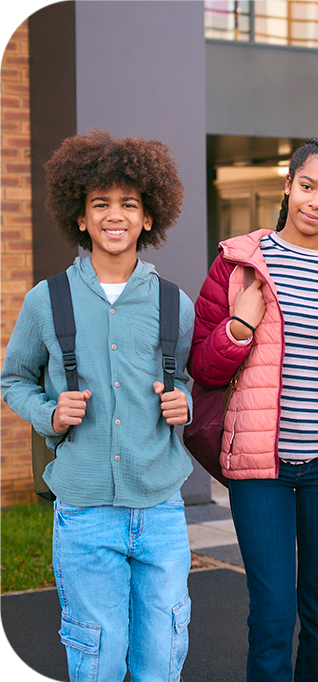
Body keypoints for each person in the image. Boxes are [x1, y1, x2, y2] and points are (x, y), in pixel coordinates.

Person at [187, 138, 318, 681]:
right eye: (307, 187)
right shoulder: (239, 263)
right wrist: (238, 326)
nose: (316, 202)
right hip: (262, 470)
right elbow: (203, 368)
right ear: (288, 186)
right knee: (274, 614)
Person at [0, 130, 195, 681]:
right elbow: (13, 379)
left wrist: (183, 401)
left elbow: (184, 379)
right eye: (101, 204)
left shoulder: (171, 302)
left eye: (129, 204)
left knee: (161, 655)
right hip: (84, 511)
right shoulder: (48, 299)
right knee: (98, 656)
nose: (116, 216)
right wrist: (48, 413)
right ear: (80, 219)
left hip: (159, 508)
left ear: (149, 217)